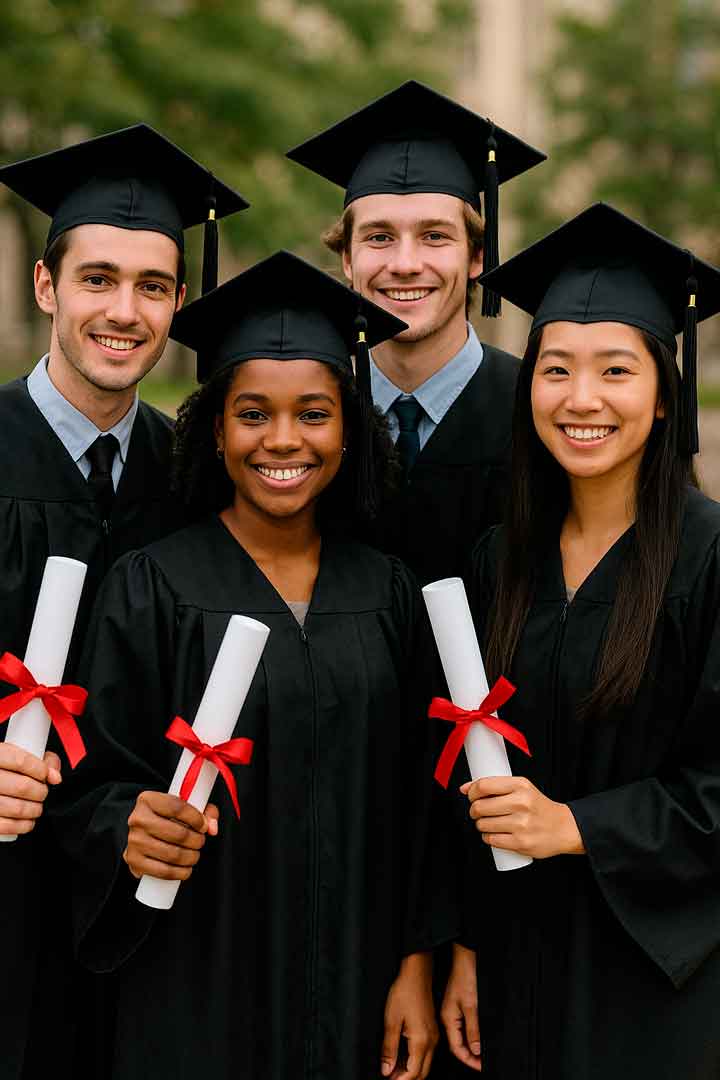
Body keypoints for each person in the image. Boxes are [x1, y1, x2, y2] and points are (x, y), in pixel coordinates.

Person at [52, 251, 458, 1080]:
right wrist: (129, 823)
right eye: (252, 413)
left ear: (350, 427)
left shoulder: (385, 590)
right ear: (215, 428)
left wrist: (418, 964)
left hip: (360, 986)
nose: (283, 440)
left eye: (313, 413)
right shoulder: (153, 585)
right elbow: (89, 783)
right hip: (194, 992)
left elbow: (424, 800)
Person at [441, 203, 720, 1078]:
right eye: (555, 369)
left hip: (656, 982)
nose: (582, 398)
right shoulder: (501, 561)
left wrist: (578, 826)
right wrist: (467, 947)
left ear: (666, 394)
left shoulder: (711, 558)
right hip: (513, 971)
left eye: (616, 370)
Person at [0, 124, 246, 1079]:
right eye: (98, 278)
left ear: (180, 304)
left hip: (140, 906)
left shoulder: (192, 477)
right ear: (46, 286)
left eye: (152, 285)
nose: (124, 310)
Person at [286, 80, 546, 584]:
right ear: (347, 257)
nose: (405, 264)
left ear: (476, 256)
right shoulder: (300, 414)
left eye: (434, 236)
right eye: (379, 237)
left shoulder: (536, 411)